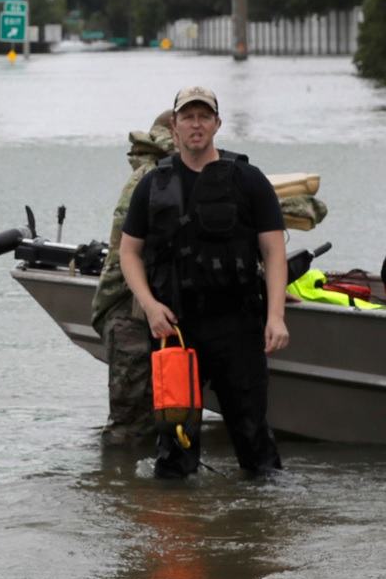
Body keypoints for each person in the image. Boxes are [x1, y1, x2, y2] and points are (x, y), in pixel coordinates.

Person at [118, 86, 289, 478]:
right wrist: (148, 305)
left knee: (254, 440)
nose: (196, 125)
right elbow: (129, 253)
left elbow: (274, 252)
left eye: (204, 116)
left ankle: (262, 526)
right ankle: (177, 529)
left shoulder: (248, 180)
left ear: (217, 124)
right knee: (175, 442)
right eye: (188, 117)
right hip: (175, 329)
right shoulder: (152, 184)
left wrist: (275, 317)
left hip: (238, 325)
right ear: (174, 127)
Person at [90, 111, 175, 446]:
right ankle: (121, 490)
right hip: (130, 314)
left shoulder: (157, 175)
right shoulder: (150, 179)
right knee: (131, 425)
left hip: (144, 312)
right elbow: (128, 253)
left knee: (162, 415)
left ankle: (133, 493)